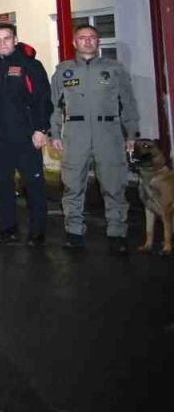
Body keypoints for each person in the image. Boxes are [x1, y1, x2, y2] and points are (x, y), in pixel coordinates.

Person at [51, 24, 141, 254]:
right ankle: (74, 232)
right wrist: (55, 133)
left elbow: (128, 103)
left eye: (92, 37)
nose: (88, 41)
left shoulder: (114, 69)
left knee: (114, 185)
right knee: (72, 185)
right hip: (75, 133)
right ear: (75, 42)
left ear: (98, 41)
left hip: (108, 132)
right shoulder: (64, 71)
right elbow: (54, 106)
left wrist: (131, 134)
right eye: (82, 38)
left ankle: (117, 233)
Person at [0, 22, 53, 246]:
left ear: (15, 39)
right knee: (2, 185)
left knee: (33, 185)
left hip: (26, 137)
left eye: (7, 38)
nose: (2, 43)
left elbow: (42, 99)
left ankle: (37, 232)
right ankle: (7, 228)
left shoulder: (30, 65)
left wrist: (41, 129)